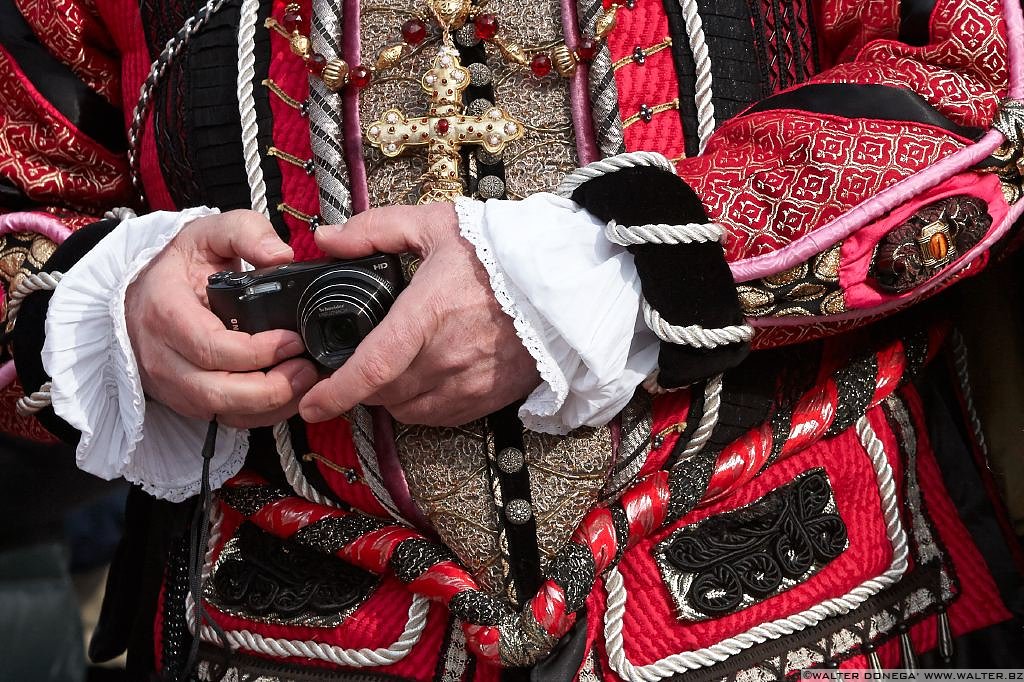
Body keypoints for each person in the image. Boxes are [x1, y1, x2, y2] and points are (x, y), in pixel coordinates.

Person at [2, 0, 1023, 679]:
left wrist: (620, 267)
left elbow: (983, 79)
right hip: (274, 621)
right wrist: (116, 306)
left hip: (813, 602)